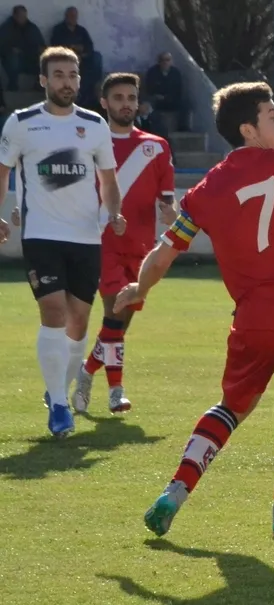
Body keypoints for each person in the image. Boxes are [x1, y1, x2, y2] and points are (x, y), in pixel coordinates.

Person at [112, 82, 274, 538]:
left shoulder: (203, 191)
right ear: (248, 129)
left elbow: (162, 255)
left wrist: (139, 287)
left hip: (254, 320)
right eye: (272, 115)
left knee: (232, 406)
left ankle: (175, 491)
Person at [0, 46, 122, 438]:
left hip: (85, 237)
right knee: (53, 312)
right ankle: (58, 403)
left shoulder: (94, 124)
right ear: (43, 80)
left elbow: (109, 181)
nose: (66, 82)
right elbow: (2, 172)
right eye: (58, 75)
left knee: (78, 322)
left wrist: (112, 212)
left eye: (72, 75)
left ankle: (60, 392)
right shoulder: (21, 123)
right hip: (42, 235)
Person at [69, 73, 177, 415]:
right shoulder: (89, 145)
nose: (126, 104)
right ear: (104, 103)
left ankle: (85, 373)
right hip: (102, 243)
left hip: (143, 249)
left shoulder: (156, 146)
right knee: (115, 311)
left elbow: (168, 199)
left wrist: (170, 211)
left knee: (120, 323)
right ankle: (116, 391)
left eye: (131, 97)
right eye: (118, 98)